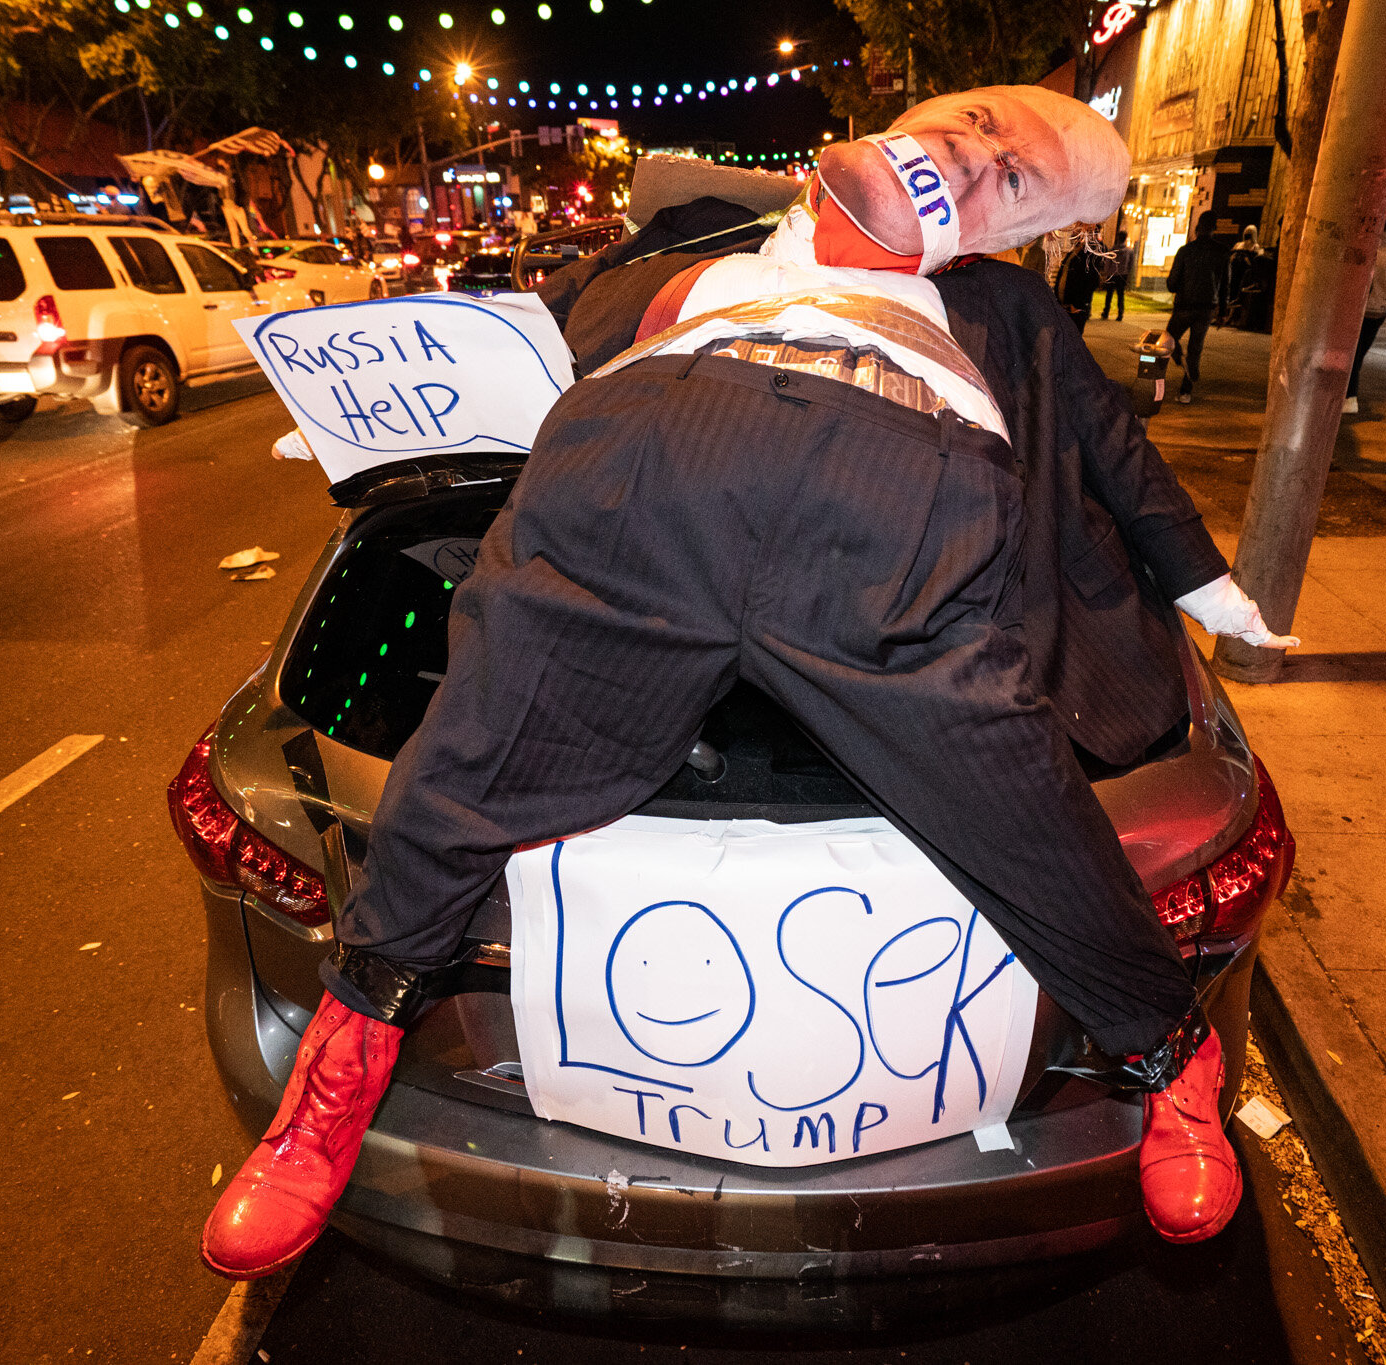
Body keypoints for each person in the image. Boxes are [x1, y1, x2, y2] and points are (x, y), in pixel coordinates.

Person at [203, 87, 1297, 1280]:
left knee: (1017, 798)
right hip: (645, 458)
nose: (977, 154)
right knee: (462, 766)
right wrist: (363, 427)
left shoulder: (995, 307)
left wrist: (1211, 591)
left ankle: (1165, 1062)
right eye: (979, 121)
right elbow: (527, 338)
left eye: (1017, 176)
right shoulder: (703, 257)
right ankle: (330, 1091)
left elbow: (1116, 458)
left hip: (892, 489)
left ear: (1007, 236)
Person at [1345, 207, 1386, 414]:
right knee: (1359, 353)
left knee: (1351, 353)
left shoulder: (1363, 246)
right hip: (1377, 311)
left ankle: (1349, 395)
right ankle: (1349, 395)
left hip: (1355, 307)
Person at [1164, 210, 1227, 403]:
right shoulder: (1222, 252)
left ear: (1197, 228)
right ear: (1214, 229)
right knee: (1196, 347)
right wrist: (1222, 312)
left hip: (1184, 304)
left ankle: (1177, 356)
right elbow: (1226, 284)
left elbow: (1172, 283)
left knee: (1169, 338)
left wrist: (1178, 285)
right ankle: (1185, 391)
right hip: (1207, 307)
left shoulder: (1186, 250)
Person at [1055, 226, 1105, 331]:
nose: (1074, 233)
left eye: (1079, 230)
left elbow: (1092, 280)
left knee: (1072, 337)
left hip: (1075, 307)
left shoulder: (1090, 254)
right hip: (1065, 304)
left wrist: (1077, 304)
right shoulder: (1075, 251)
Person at [1099, 230, 1131, 321]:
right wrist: (1127, 272)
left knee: (1109, 294)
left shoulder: (1112, 250)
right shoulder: (1129, 251)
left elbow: (1107, 263)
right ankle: (1120, 313)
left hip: (1112, 274)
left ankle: (1106, 312)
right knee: (1120, 295)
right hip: (1123, 275)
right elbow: (1130, 264)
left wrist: (1107, 273)